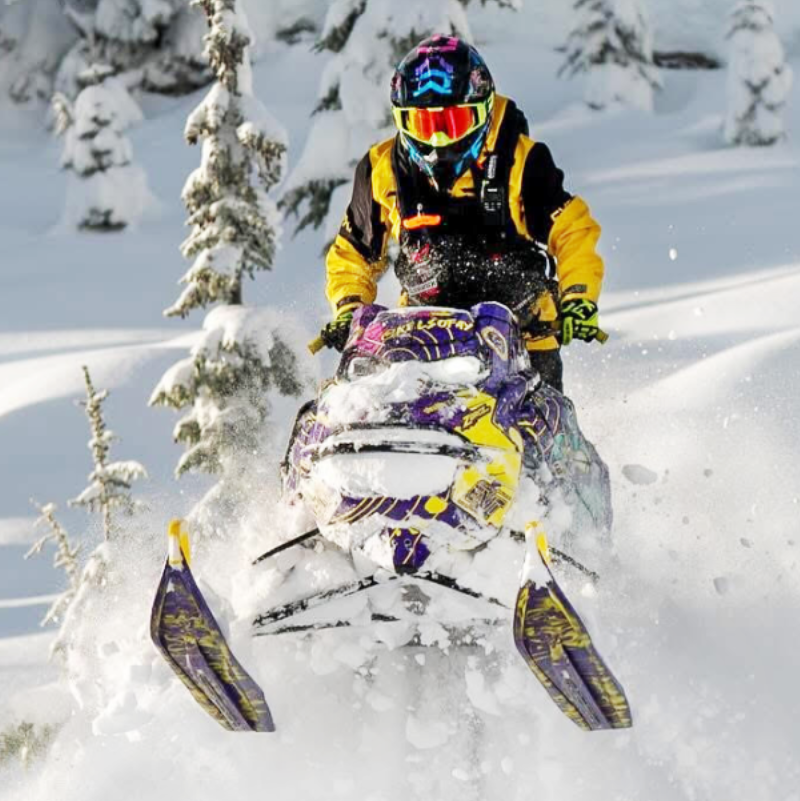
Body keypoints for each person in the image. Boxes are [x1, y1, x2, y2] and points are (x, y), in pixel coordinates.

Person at [318, 35, 605, 392]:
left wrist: (578, 296)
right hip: (420, 341)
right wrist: (350, 309)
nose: (438, 140)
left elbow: (571, 229)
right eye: (424, 124)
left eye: (452, 123)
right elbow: (353, 254)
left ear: (481, 113)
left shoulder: (521, 160)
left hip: (522, 339)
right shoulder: (381, 170)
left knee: (539, 439)